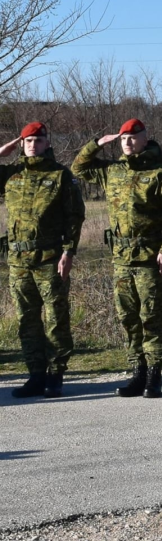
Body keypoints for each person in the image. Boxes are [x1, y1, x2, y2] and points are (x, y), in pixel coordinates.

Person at [71, 118, 162, 398]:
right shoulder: (113, 171)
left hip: (150, 257)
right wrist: (97, 144)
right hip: (121, 259)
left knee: (150, 315)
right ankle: (137, 371)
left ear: (145, 138)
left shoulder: (160, 173)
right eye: (123, 138)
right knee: (128, 318)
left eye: (132, 137)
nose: (127, 142)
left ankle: (154, 375)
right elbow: (78, 168)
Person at [1, 122, 85, 399]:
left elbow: (75, 217)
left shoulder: (61, 176)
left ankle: (55, 375)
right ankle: (35, 374)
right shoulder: (12, 175)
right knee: (27, 320)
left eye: (37, 140)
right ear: (20, 144)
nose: (33, 145)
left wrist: (68, 252)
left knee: (55, 318)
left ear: (47, 143)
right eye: (27, 141)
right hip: (18, 260)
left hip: (50, 258)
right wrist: (5, 150)